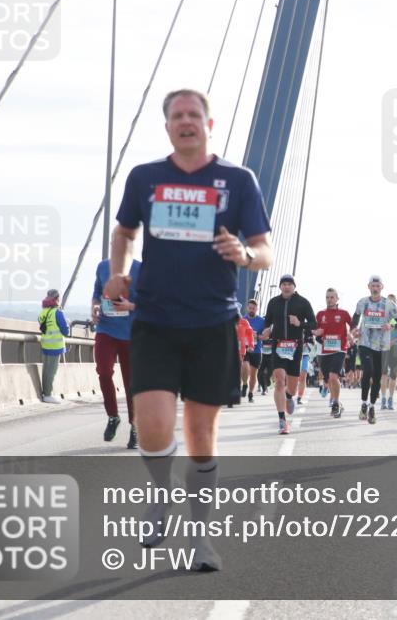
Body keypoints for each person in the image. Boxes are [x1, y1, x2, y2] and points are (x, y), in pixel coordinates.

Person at [104, 88, 272, 572]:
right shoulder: (146, 178)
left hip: (212, 322)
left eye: (193, 114)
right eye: (176, 115)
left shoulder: (237, 181)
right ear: (168, 127)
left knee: (200, 437)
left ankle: (200, 538)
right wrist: (119, 269)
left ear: (209, 124)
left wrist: (244, 256)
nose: (186, 122)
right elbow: (124, 233)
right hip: (155, 319)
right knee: (153, 426)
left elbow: (264, 250)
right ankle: (162, 494)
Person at [92, 258, 142, 447]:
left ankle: (135, 426)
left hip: (132, 334)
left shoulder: (141, 268)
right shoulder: (102, 266)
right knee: (104, 373)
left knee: (132, 384)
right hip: (106, 329)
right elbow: (97, 293)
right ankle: (113, 417)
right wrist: (95, 307)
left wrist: (131, 306)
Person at [260, 274, 316, 434]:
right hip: (278, 345)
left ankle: (289, 396)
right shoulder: (273, 302)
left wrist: (300, 323)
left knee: (291, 386)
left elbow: (313, 323)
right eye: (283, 284)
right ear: (280, 287)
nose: (286, 286)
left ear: (294, 286)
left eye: (289, 284)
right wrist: (266, 329)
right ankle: (282, 420)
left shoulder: (303, 303)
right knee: (279, 381)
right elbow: (267, 321)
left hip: (295, 347)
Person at [351, 276, 397, 424]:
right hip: (365, 342)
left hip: (382, 345)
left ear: (382, 287)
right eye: (372, 286)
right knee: (367, 371)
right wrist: (354, 330)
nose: (375, 288)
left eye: (377, 286)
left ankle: (372, 406)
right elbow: (354, 319)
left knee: (377, 376)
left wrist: (391, 326)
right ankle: (364, 403)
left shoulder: (389, 304)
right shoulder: (362, 302)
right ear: (368, 286)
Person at [312, 288, 354, 418]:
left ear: (337, 299)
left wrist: (351, 335)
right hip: (324, 351)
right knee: (327, 378)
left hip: (340, 349)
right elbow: (313, 330)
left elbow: (354, 325)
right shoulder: (320, 314)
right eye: (327, 297)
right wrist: (316, 332)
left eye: (332, 297)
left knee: (333, 376)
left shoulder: (344, 313)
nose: (329, 299)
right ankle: (336, 400)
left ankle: (335, 403)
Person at [37, 288, 69, 404]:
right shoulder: (58, 312)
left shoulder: (43, 312)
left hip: (46, 344)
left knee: (46, 370)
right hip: (55, 346)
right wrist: (68, 324)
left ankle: (46, 392)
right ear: (57, 299)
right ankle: (48, 394)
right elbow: (66, 331)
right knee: (52, 371)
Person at [380, 293, 397, 410]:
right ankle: (383, 399)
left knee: (393, 375)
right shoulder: (382, 315)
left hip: (396, 347)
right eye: (389, 301)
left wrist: (392, 341)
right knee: (383, 374)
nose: (391, 303)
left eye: (393, 301)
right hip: (384, 347)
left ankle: (391, 399)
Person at [230, 308, 254, 408]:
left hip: (241, 351)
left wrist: (251, 345)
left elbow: (249, 334)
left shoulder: (244, 322)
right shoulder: (223, 320)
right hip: (227, 350)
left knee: (238, 370)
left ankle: (240, 387)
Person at [242, 299, 265, 401]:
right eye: (250, 308)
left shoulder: (262, 321)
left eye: (253, 308)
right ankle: (245, 384)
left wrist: (257, 336)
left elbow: (266, 336)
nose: (251, 310)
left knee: (253, 374)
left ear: (257, 309)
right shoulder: (242, 320)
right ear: (247, 308)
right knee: (245, 366)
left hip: (256, 350)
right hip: (245, 349)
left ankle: (250, 393)